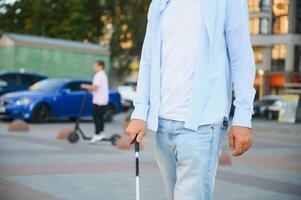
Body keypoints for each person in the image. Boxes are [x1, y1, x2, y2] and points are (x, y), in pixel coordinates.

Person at [126, 0, 256, 199]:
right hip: (162, 124)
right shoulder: (159, 3)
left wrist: (243, 117)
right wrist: (140, 112)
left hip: (202, 126)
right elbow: (148, 60)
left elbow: (241, 57)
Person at [81, 60, 109, 144]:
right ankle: (101, 133)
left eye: (95, 66)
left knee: (96, 117)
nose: (94, 68)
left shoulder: (98, 75)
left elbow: (95, 87)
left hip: (99, 100)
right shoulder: (103, 75)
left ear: (100, 66)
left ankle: (97, 134)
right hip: (103, 100)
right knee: (100, 117)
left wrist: (84, 86)